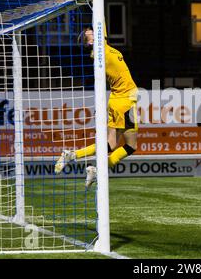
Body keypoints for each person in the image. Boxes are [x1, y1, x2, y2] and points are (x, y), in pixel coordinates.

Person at [54, 27, 138, 189]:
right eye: (90, 32)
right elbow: (102, 22)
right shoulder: (100, 51)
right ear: (91, 41)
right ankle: (98, 169)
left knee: (111, 143)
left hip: (117, 100)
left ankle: (73, 155)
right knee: (131, 146)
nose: (93, 30)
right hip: (125, 101)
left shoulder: (102, 49)